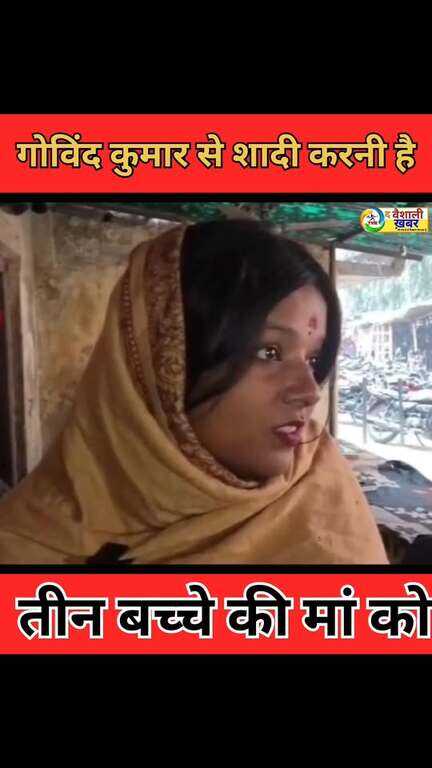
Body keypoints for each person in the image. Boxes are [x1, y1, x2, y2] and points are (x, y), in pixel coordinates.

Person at [0, 220, 388, 564]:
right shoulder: (29, 540)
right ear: (165, 364)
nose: (309, 392)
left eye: (313, 359)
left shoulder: (324, 504)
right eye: (269, 352)